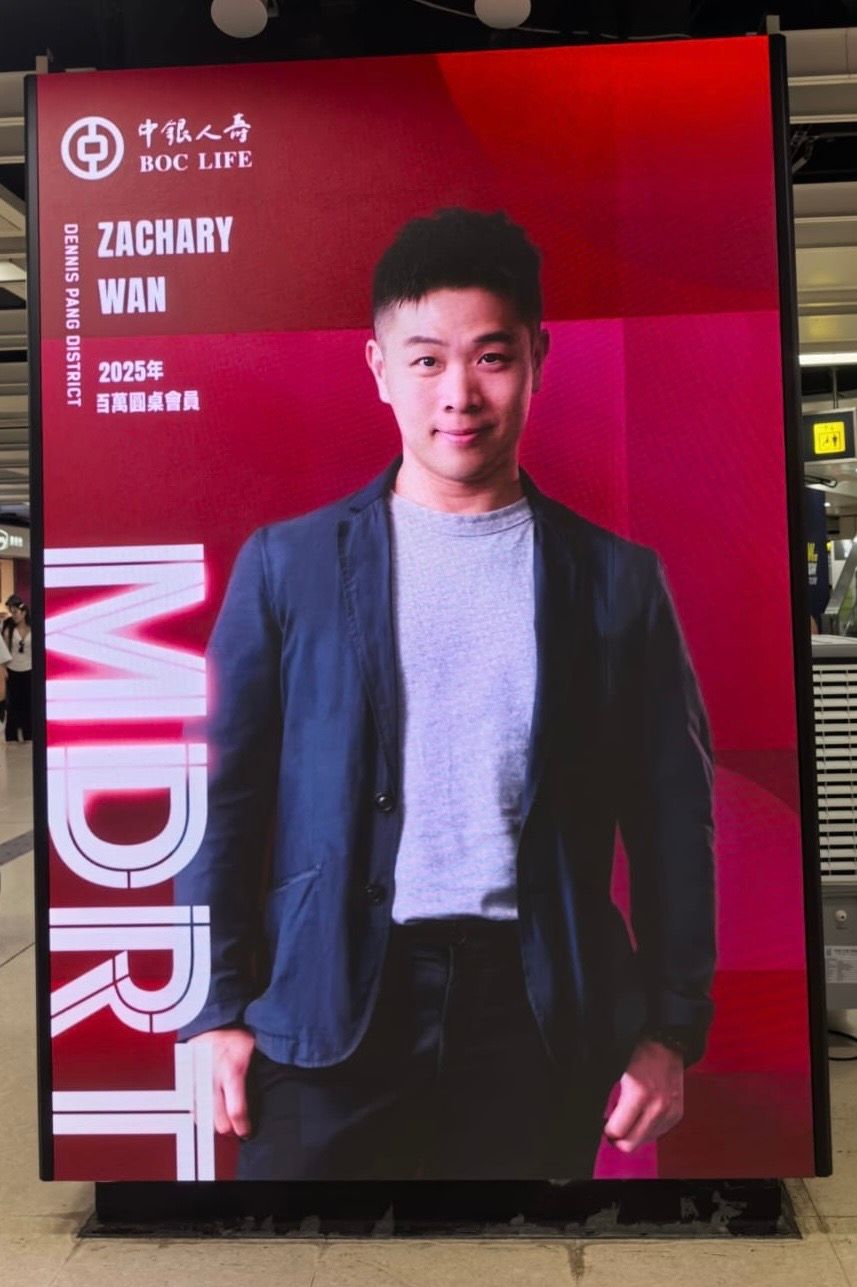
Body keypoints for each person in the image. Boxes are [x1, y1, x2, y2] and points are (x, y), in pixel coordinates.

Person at [177, 208, 715, 1181]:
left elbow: (675, 819)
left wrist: (671, 1030)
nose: (458, 394)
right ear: (377, 368)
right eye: (425, 360)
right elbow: (227, 806)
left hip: (539, 1018)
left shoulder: (615, 584)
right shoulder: (288, 568)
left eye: (490, 357)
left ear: (538, 359)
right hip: (325, 1007)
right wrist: (215, 1008)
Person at [2, 596, 31, 744]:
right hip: (13, 670)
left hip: (29, 670)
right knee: (12, 705)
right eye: (11, 612)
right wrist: (4, 668)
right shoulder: (8, 628)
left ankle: (29, 736)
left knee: (29, 704)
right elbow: (4, 650)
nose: (14, 615)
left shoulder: (33, 627)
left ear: (24, 612)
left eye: (16, 612)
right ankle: (12, 738)